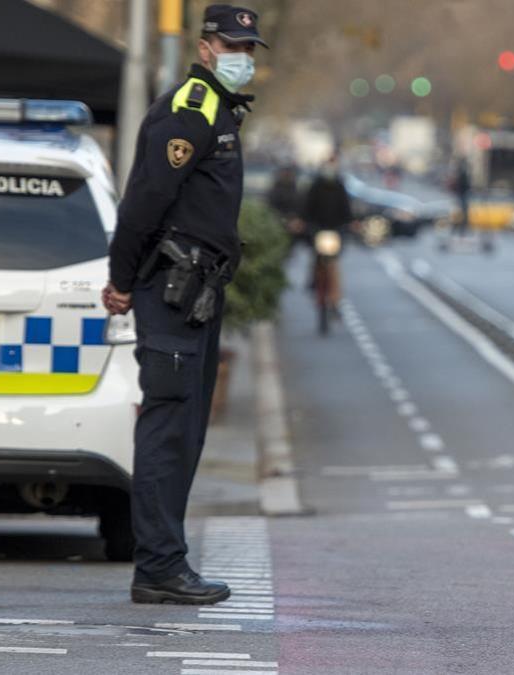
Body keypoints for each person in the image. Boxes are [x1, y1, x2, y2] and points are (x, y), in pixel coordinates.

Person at [102, 4, 268, 605]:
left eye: (248, 50)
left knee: (187, 430)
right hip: (170, 291)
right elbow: (143, 202)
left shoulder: (219, 111)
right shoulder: (190, 110)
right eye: (232, 47)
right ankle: (159, 567)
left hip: (195, 295)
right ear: (204, 49)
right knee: (169, 430)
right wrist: (121, 280)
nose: (241, 59)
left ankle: (167, 562)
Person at [301, 151, 352, 313]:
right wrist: (303, 222)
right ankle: (312, 282)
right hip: (319, 230)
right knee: (315, 258)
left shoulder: (339, 185)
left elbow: (347, 209)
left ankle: (335, 298)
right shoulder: (315, 186)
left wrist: (351, 222)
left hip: (335, 232)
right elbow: (306, 207)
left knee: (333, 264)